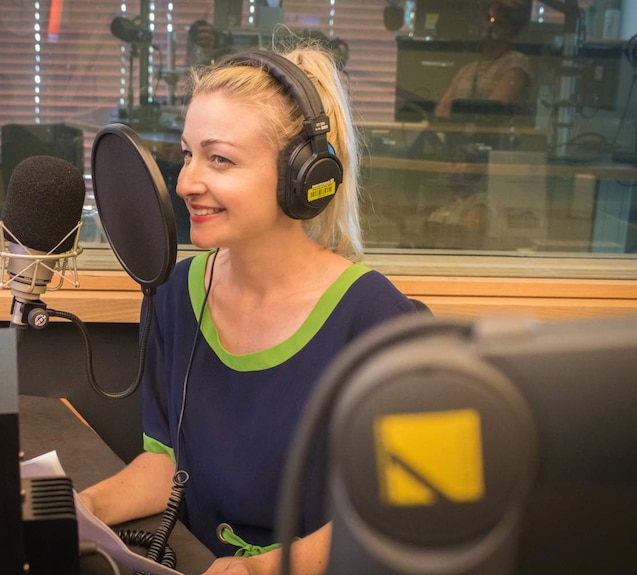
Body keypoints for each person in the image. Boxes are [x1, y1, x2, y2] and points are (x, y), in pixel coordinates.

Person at [79, 42, 417, 575]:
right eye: (187, 154)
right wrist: (84, 508)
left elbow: (402, 513)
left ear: (302, 176)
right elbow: (167, 465)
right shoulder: (173, 295)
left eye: (220, 159)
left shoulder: (380, 321)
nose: (186, 182)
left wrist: (265, 569)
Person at [434, 0, 533, 120]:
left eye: (499, 23)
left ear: (511, 33)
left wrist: (458, 116)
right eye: (488, 19)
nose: (490, 27)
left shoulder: (516, 62)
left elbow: (491, 112)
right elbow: (441, 109)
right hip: (458, 136)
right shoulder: (468, 69)